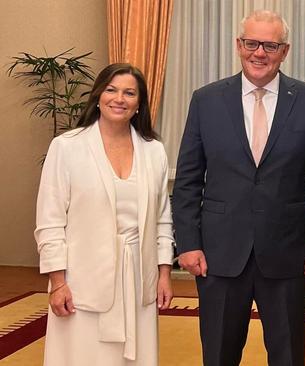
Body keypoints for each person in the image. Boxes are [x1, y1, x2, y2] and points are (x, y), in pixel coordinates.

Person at [172, 9, 305, 366]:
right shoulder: (206, 100)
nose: (259, 52)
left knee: (288, 355)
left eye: (270, 45)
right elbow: (187, 180)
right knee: (218, 354)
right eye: (251, 43)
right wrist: (188, 243)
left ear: (285, 50)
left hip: (289, 256)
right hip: (218, 255)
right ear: (238, 45)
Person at [34, 63, 175, 365]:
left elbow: (163, 218)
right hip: (81, 278)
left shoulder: (154, 152)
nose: (119, 98)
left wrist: (164, 274)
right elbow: (50, 221)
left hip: (138, 276)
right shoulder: (67, 147)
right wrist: (58, 282)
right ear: (98, 96)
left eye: (129, 93)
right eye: (111, 90)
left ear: (139, 104)